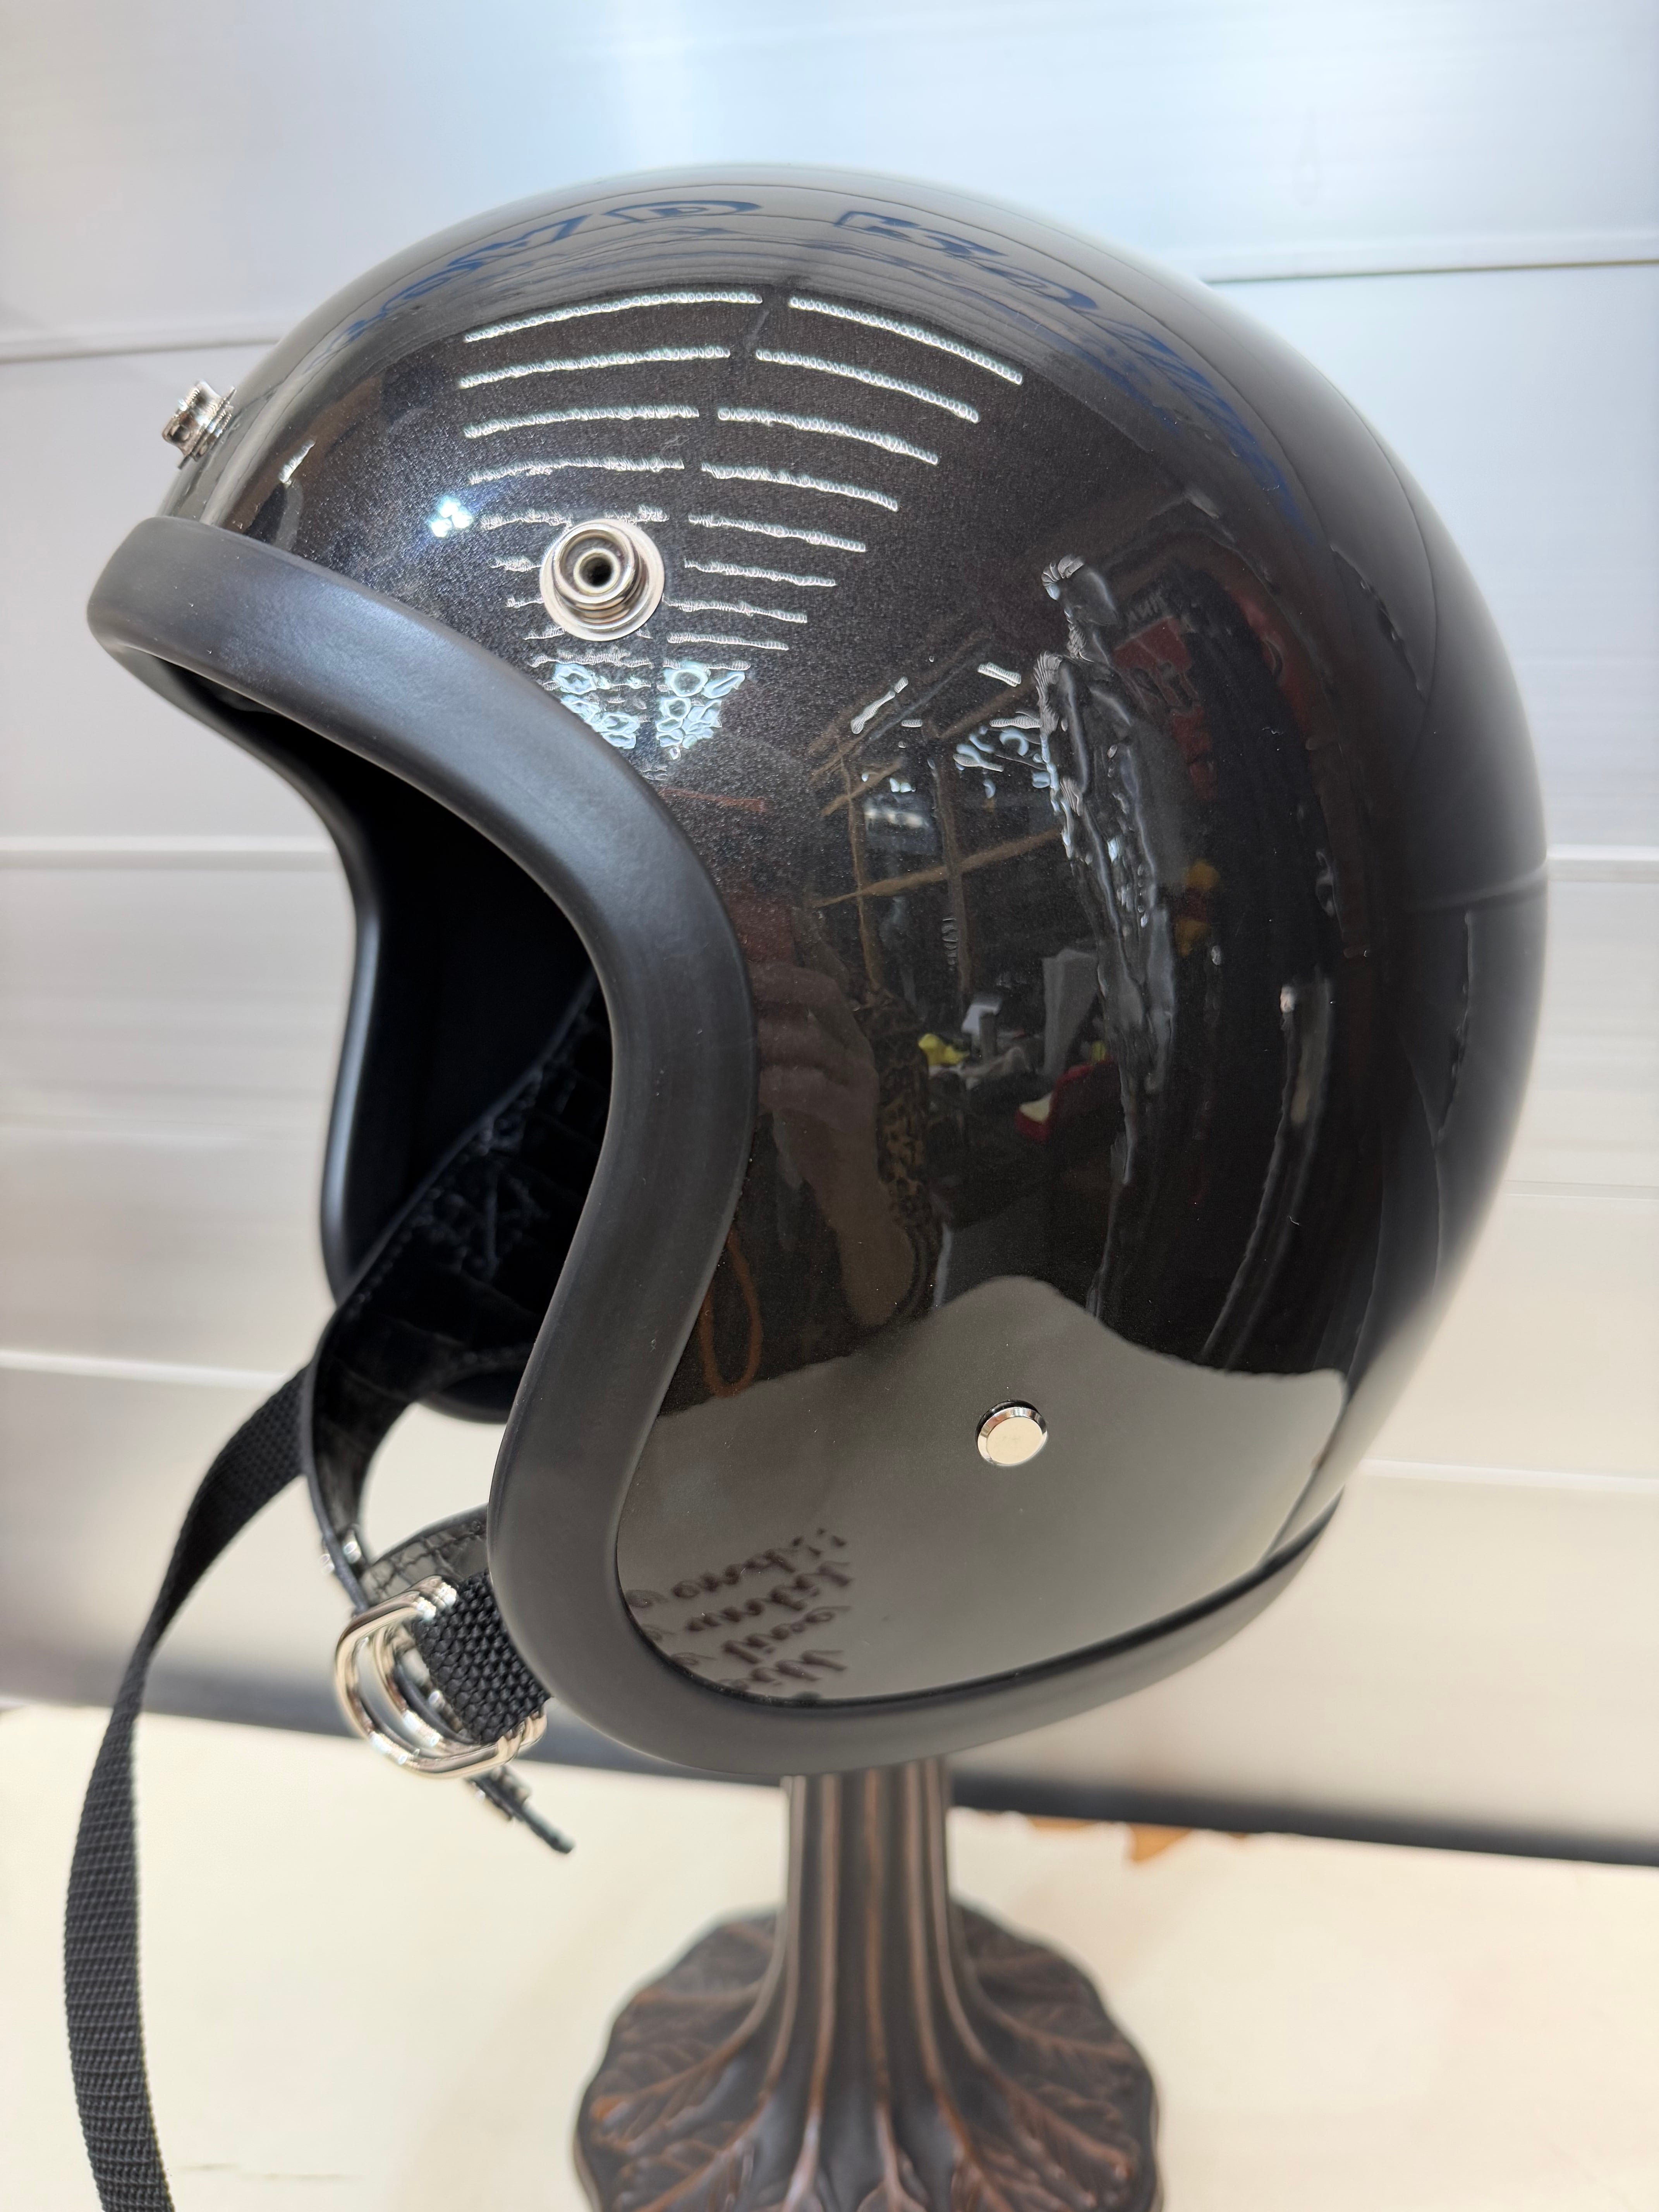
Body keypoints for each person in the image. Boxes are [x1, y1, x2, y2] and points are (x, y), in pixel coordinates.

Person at [655, 733, 939, 1404]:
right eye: (701, 875)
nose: (728, 913)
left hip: (825, 1424)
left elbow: (899, 1315)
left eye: (763, 877)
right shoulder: (621, 1029)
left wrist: (858, 1204)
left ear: (800, 900)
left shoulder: (866, 1038)